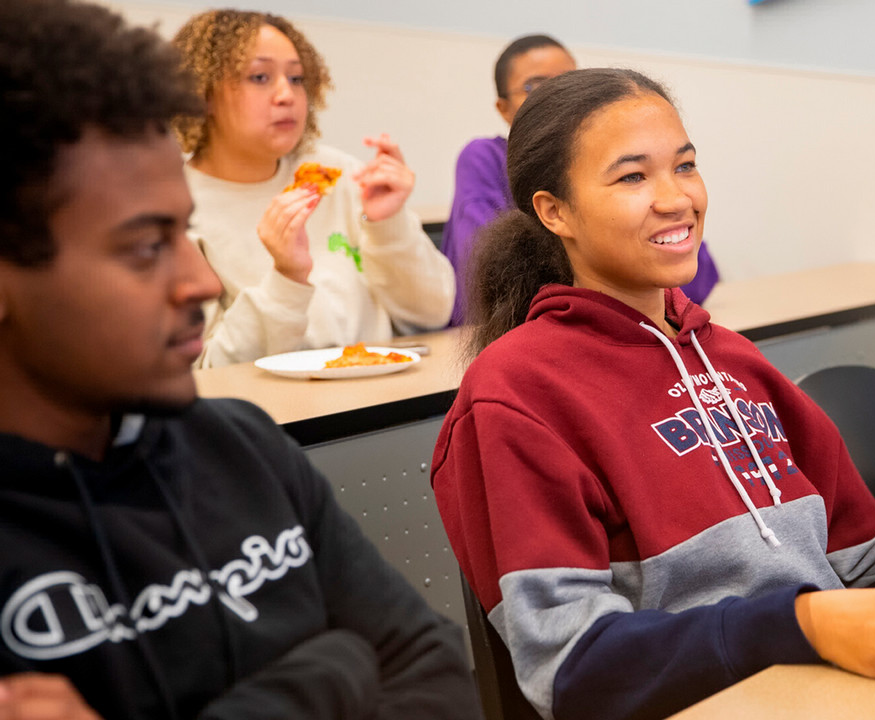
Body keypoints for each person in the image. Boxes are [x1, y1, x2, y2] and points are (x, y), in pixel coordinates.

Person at [430, 68, 875, 720]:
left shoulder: (734, 361)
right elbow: (571, 669)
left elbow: (860, 565)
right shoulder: (517, 392)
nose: (676, 197)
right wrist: (805, 625)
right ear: (555, 211)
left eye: (685, 165)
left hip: (827, 687)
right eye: (632, 178)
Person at [0, 2, 481, 718]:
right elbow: (381, 662)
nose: (200, 282)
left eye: (296, 76)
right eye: (146, 247)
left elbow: (433, 673)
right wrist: (337, 668)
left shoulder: (243, 448)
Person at [172, 10, 455, 367]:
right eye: (259, 77)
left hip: (385, 391)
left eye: (296, 78)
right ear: (202, 94)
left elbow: (432, 313)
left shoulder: (338, 174)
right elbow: (207, 369)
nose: (286, 95)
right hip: (270, 402)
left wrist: (387, 225)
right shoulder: (175, 211)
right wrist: (286, 277)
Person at [440, 34, 720, 326]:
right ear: (503, 107)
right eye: (534, 86)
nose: (556, 96)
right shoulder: (483, 157)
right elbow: (491, 279)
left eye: (685, 166)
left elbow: (696, 281)